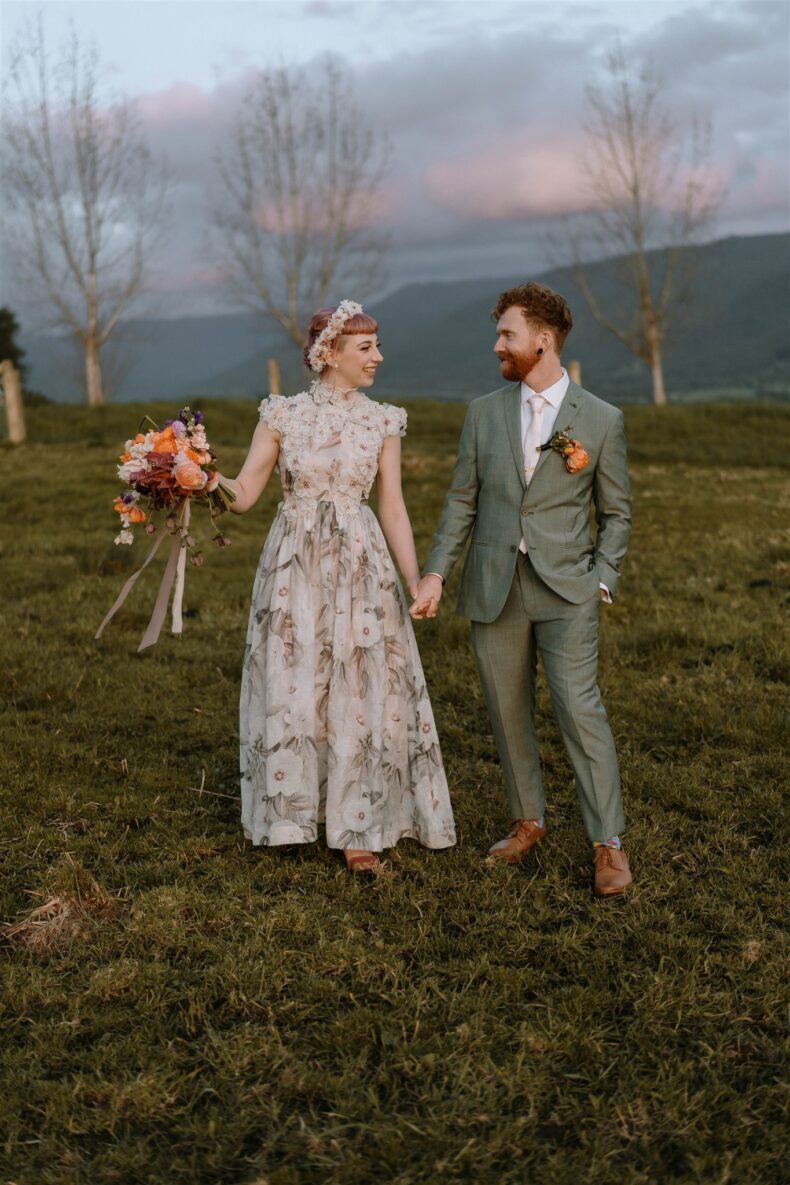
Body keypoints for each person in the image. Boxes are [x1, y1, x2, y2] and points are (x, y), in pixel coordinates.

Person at [410, 282, 632, 897]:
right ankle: (527, 820)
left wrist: (601, 579)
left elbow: (617, 514)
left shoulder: (602, 419)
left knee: (579, 711)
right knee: (506, 712)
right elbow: (461, 501)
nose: (497, 345)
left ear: (544, 339)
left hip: (569, 591)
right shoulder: (483, 413)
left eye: (507, 334)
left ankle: (608, 843)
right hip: (494, 587)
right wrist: (436, 572)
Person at [218, 300, 456, 873]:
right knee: (295, 676)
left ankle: (358, 825)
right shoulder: (282, 415)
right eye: (366, 348)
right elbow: (244, 494)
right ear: (329, 354)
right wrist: (199, 476)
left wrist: (415, 579)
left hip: (360, 563)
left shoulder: (383, 422)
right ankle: (292, 812)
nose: (379, 357)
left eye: (377, 346)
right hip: (292, 567)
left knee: (359, 679)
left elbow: (393, 506)